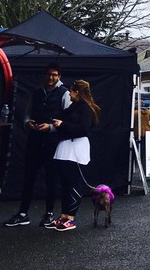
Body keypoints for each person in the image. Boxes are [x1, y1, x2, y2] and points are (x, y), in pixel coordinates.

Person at [4, 63, 71, 228]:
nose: (51, 78)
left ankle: (49, 213)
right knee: (28, 178)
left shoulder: (65, 94)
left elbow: (69, 120)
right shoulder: (36, 92)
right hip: (34, 140)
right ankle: (23, 213)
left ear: (59, 77)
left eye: (54, 75)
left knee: (51, 179)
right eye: (48, 74)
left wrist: (52, 127)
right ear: (44, 75)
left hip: (52, 142)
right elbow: (27, 112)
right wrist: (28, 123)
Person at [49, 79, 101, 231]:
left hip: (77, 147)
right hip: (66, 146)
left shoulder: (86, 108)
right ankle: (64, 215)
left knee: (73, 182)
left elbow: (83, 129)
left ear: (76, 92)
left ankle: (71, 217)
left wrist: (63, 125)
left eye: (71, 91)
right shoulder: (74, 106)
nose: (69, 95)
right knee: (65, 182)